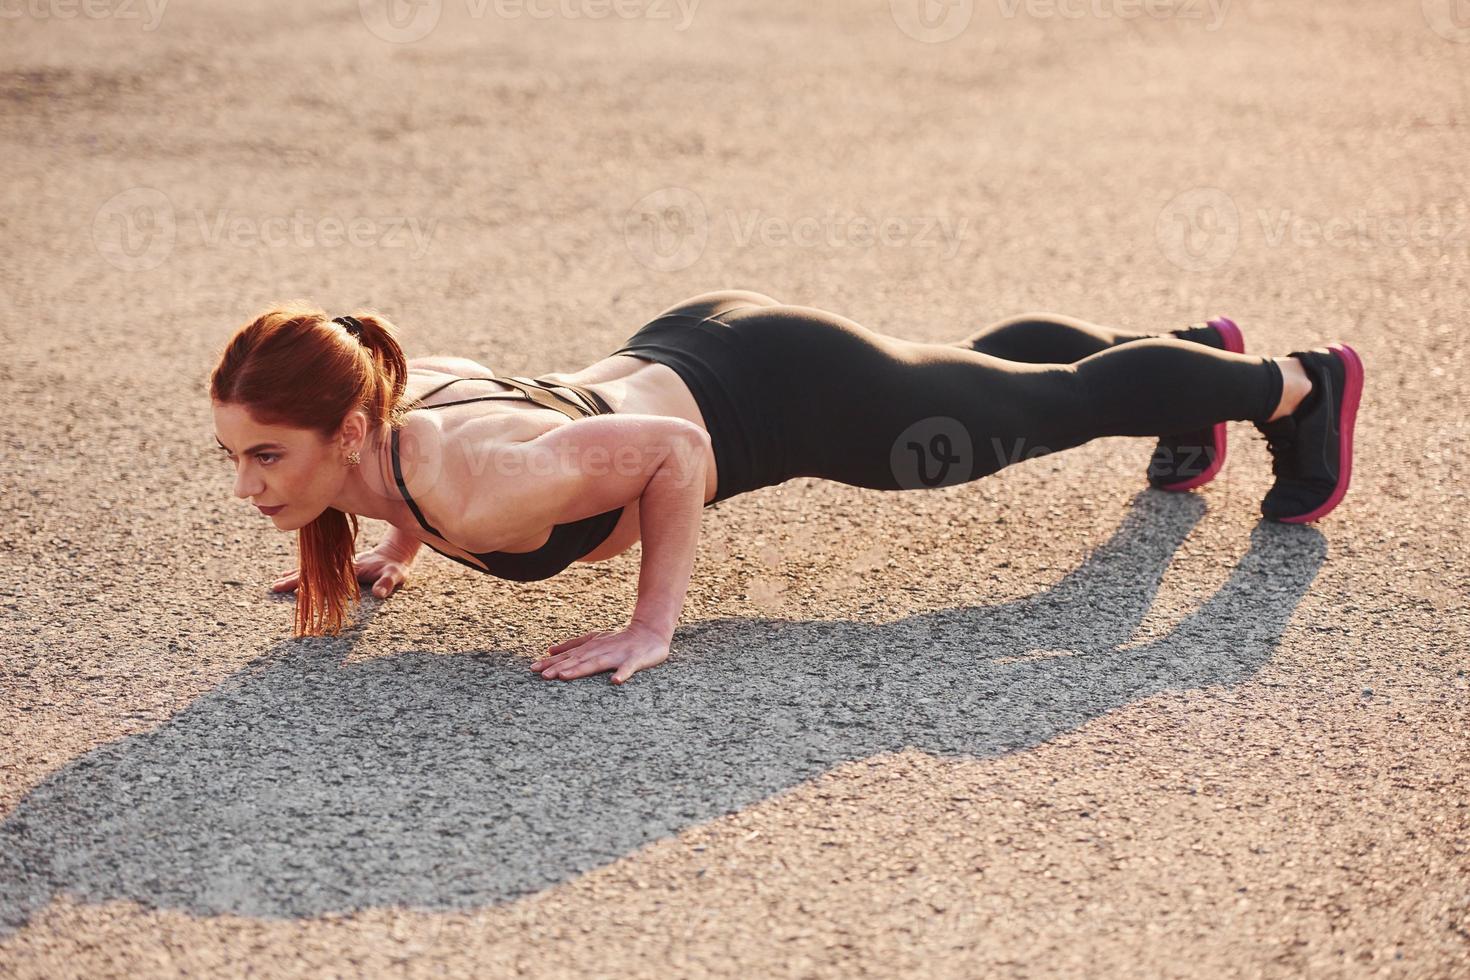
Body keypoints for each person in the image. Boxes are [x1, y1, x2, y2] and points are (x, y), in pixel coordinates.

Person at [210, 290, 1363, 683]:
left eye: (269, 454)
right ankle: (1178, 361)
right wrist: (395, 547)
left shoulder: (479, 480)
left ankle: (1290, 384)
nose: (251, 485)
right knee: (988, 379)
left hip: (776, 390)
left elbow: (676, 456)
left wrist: (651, 624)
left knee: (1022, 413)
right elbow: (412, 467)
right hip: (708, 342)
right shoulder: (383, 429)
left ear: (347, 426)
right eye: (238, 456)